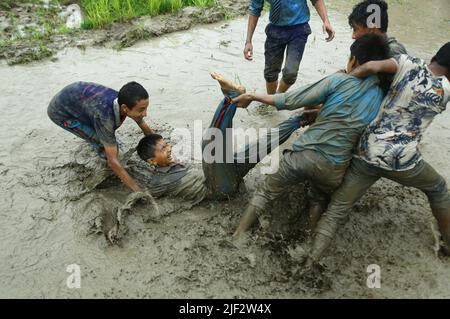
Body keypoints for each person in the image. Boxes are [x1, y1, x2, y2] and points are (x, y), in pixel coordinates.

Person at [232, 34, 390, 236]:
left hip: (304, 157)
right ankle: (308, 236)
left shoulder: (339, 80)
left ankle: (239, 235)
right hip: (335, 170)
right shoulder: (383, 95)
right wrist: (319, 113)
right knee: (317, 197)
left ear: (355, 61)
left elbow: (290, 100)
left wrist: (253, 96)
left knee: (266, 191)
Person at [307, 42, 450, 262]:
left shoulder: (407, 63)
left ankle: (309, 260)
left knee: (337, 210)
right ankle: (448, 245)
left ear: (435, 56)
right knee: (438, 188)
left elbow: (372, 66)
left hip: (367, 152)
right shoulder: (446, 90)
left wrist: (349, 84)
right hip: (402, 161)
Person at [131, 73, 309, 206]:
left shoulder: (173, 162)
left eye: (166, 144)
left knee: (264, 143)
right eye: (162, 149)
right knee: (210, 143)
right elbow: (141, 197)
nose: (169, 148)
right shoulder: (156, 183)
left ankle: (300, 119)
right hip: (217, 188)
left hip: (230, 174)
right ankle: (231, 98)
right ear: (152, 161)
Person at [47, 81, 153, 192]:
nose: (145, 113)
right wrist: (137, 190)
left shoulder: (126, 100)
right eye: (142, 110)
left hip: (79, 98)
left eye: (145, 108)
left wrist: (157, 145)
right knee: (110, 148)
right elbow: (113, 160)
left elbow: (140, 121)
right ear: (125, 108)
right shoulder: (105, 118)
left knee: (111, 141)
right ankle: (102, 179)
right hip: (61, 112)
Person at [244, 0, 335, 94]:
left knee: (290, 74)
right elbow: (255, 9)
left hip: (299, 28)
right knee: (270, 73)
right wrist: (248, 41)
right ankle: (270, 99)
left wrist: (326, 21)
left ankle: (278, 97)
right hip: (275, 29)